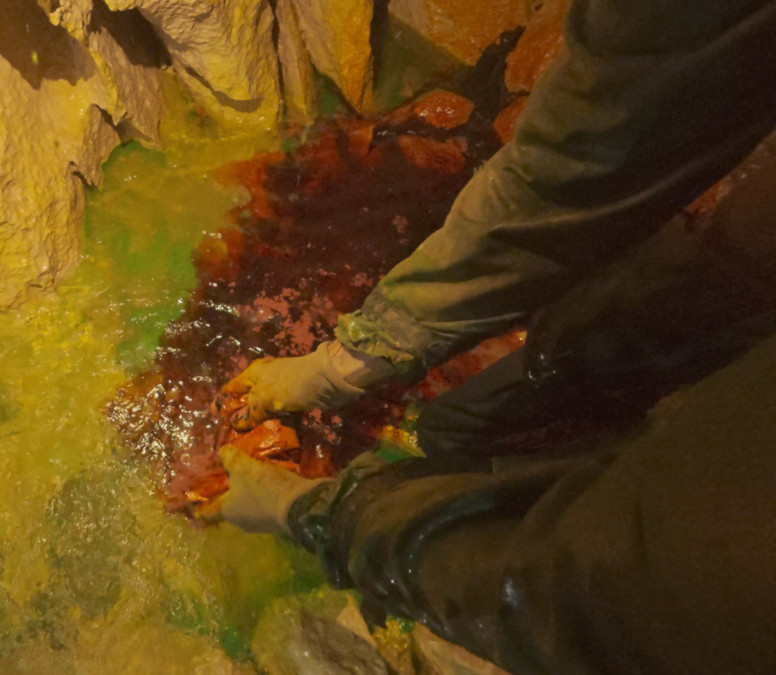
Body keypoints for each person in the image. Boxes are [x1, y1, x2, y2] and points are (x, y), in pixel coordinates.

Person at [214, 0, 776, 673]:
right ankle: (527, 397)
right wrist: (352, 360)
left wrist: (321, 516)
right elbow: (599, 148)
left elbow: (566, 584)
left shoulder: (735, 547)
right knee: (721, 272)